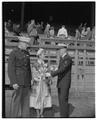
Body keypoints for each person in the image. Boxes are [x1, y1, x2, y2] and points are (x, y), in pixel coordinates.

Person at [8, 36, 32, 118]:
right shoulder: (13, 53)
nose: (27, 46)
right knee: (16, 102)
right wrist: (13, 82)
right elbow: (10, 69)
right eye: (26, 44)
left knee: (26, 102)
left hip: (26, 82)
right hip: (18, 82)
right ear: (21, 43)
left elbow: (28, 68)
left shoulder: (27, 53)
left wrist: (30, 80)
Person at [47, 43, 72, 117]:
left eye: (60, 49)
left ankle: (64, 116)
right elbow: (60, 69)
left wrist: (51, 74)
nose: (59, 51)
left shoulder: (67, 58)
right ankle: (63, 115)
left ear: (64, 49)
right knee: (61, 101)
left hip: (64, 83)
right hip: (61, 82)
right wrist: (54, 69)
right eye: (59, 49)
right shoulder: (62, 58)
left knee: (63, 101)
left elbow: (62, 69)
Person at [30, 48, 52, 117]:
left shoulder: (46, 64)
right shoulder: (35, 64)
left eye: (44, 54)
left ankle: (41, 112)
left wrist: (49, 78)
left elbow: (49, 73)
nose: (44, 55)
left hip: (45, 83)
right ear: (39, 55)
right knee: (37, 97)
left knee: (44, 97)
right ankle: (37, 113)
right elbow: (34, 74)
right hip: (38, 83)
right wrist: (38, 77)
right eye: (43, 54)